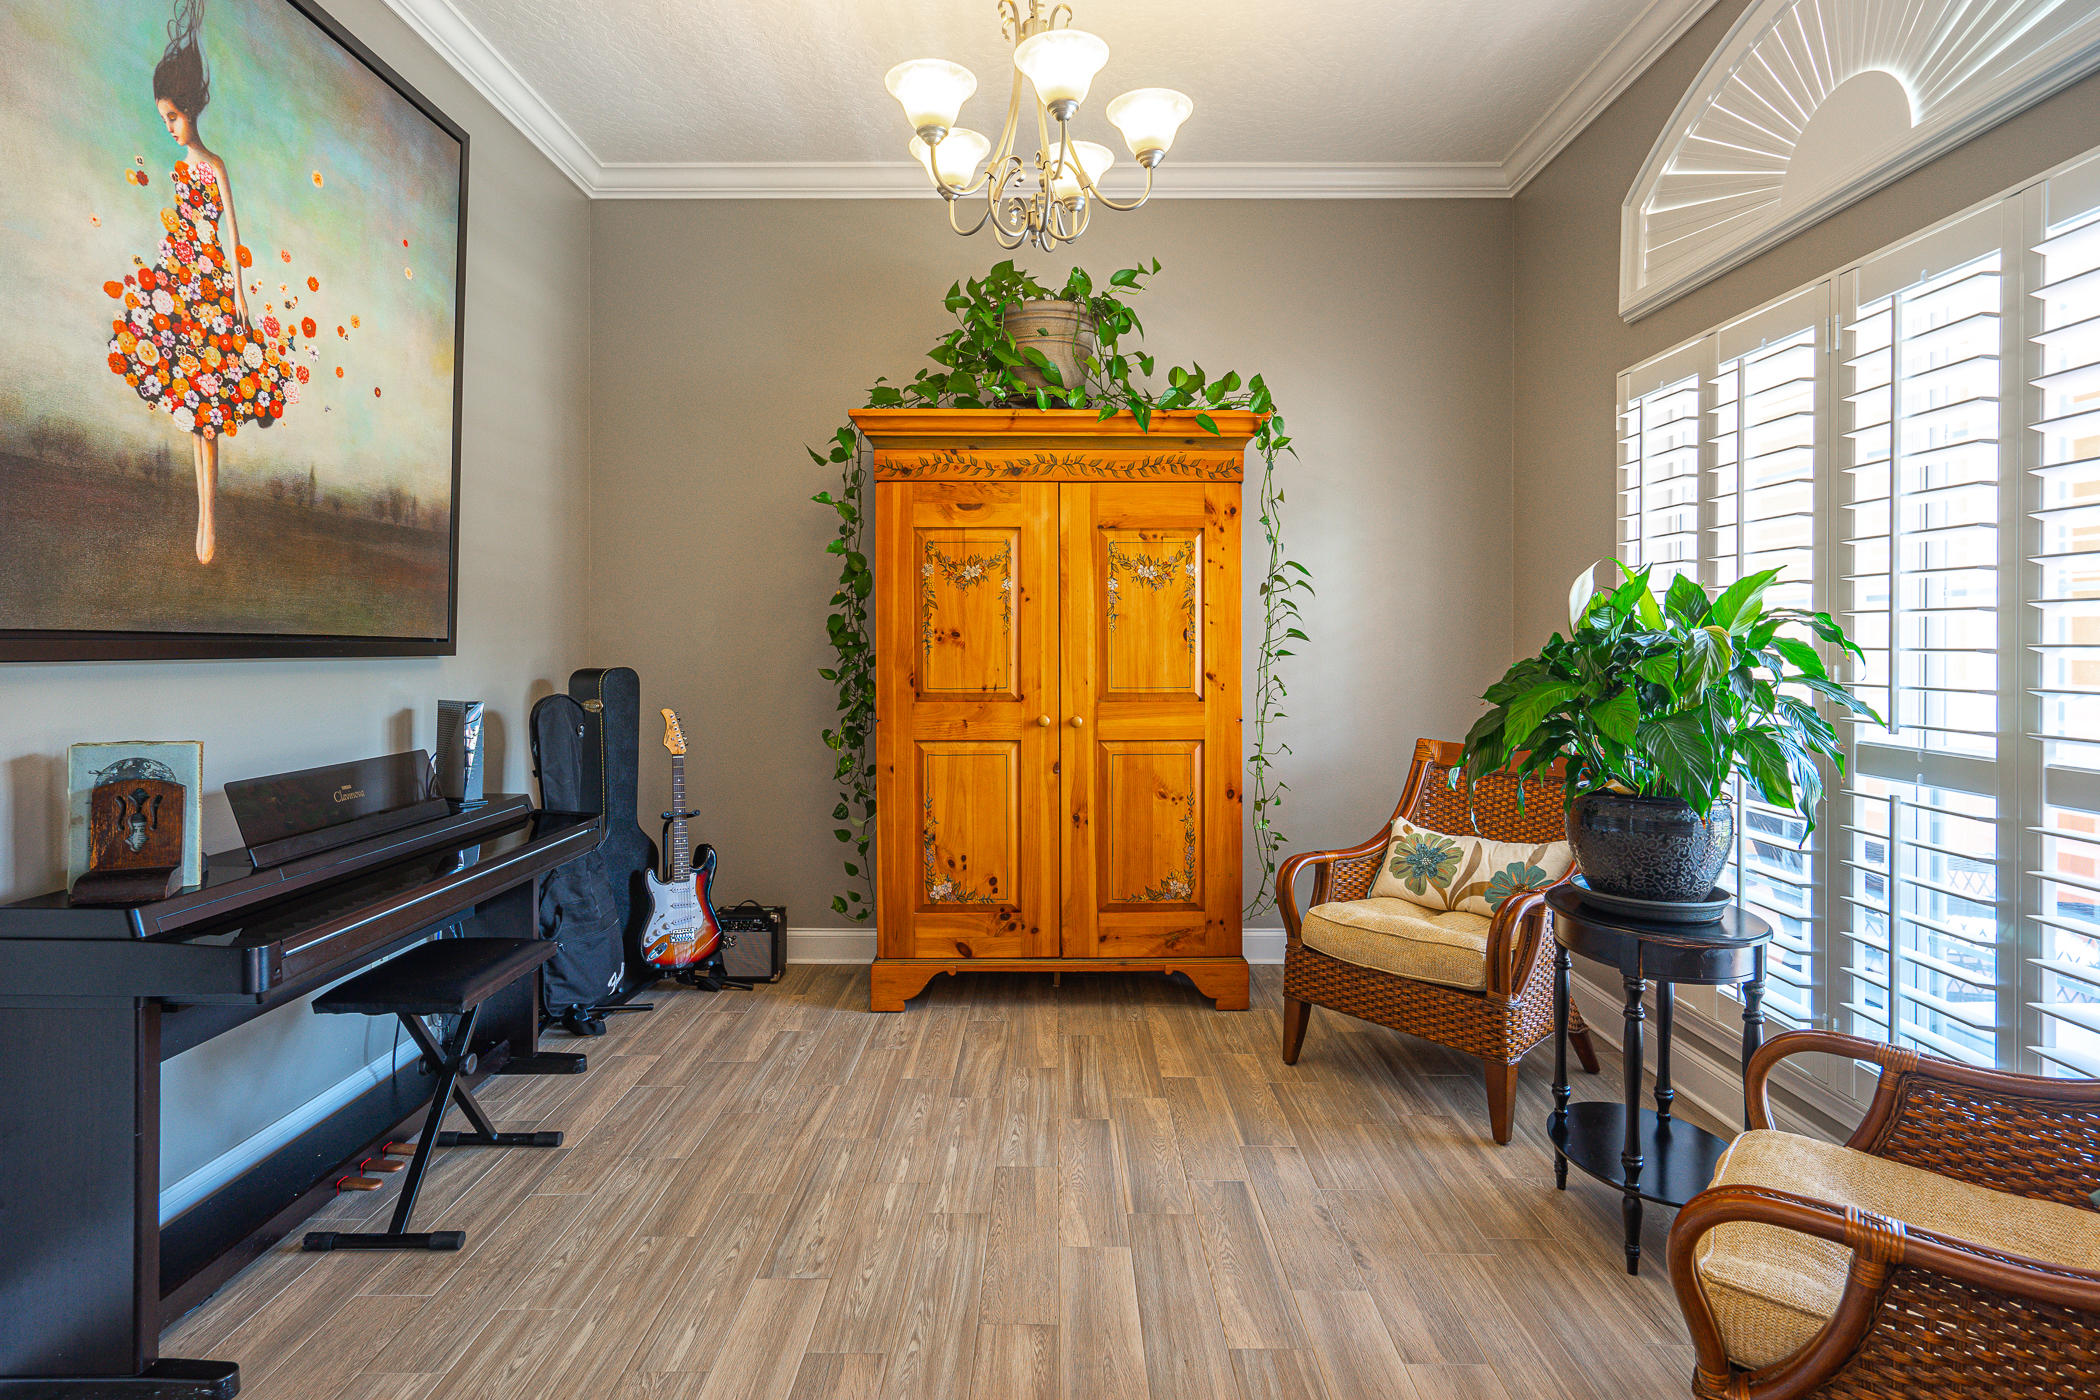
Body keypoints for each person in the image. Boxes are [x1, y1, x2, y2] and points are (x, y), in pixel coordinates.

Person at [101, 0, 296, 564]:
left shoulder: (213, 166)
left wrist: (238, 298)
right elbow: (179, 231)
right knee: (191, 410)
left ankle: (211, 519)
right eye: (164, 118)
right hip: (181, 286)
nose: (169, 127)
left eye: (172, 117)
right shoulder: (180, 168)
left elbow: (231, 238)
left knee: (209, 413)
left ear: (190, 109)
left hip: (211, 290)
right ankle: (202, 515)